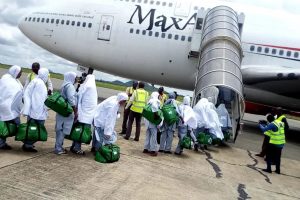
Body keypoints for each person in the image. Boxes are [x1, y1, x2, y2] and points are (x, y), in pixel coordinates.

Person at [23, 68, 49, 152]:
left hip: (32, 111)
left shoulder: (35, 81)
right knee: (37, 130)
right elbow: (40, 100)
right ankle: (28, 145)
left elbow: (28, 94)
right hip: (38, 112)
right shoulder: (40, 84)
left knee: (31, 129)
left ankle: (27, 143)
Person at [71, 73, 98, 155]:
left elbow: (79, 97)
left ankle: (74, 146)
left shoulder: (84, 87)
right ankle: (77, 148)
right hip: (87, 116)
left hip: (82, 114)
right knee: (81, 133)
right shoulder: (92, 88)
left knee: (78, 131)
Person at [54, 72, 78, 155]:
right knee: (63, 130)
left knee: (59, 128)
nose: (76, 79)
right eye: (75, 78)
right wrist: (75, 111)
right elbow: (71, 99)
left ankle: (58, 146)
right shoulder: (70, 86)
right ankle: (58, 149)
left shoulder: (64, 85)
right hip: (66, 110)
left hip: (61, 110)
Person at [0, 65, 23, 150]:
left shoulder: (7, 79)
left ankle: (1, 143)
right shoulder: (11, 82)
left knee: (3, 126)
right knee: (17, 126)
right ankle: (27, 144)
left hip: (4, 107)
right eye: (20, 73)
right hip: (8, 108)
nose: (21, 74)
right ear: (15, 72)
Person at [143, 92, 162, 156]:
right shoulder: (155, 101)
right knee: (154, 136)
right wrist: (156, 114)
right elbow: (154, 107)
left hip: (147, 121)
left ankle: (146, 148)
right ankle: (153, 150)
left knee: (148, 135)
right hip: (152, 122)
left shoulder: (149, 101)